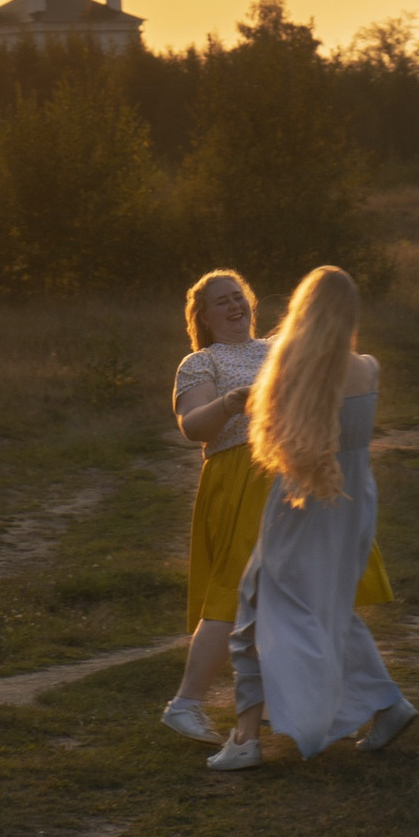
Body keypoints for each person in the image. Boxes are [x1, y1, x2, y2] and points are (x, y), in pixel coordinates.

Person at [208, 264, 417, 771]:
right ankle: (388, 705)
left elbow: (273, 439)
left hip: (301, 500)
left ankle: (247, 738)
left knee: (255, 609)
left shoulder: (292, 366)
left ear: (303, 308)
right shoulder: (367, 366)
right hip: (352, 503)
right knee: (327, 609)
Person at [161, 270, 271, 745]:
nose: (234, 306)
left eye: (239, 297)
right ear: (203, 317)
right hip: (237, 478)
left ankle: (270, 702)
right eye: (221, 302)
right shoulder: (201, 362)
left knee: (283, 594)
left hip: (284, 476)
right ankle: (185, 704)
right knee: (232, 590)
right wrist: (230, 403)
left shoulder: (275, 351)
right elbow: (193, 427)